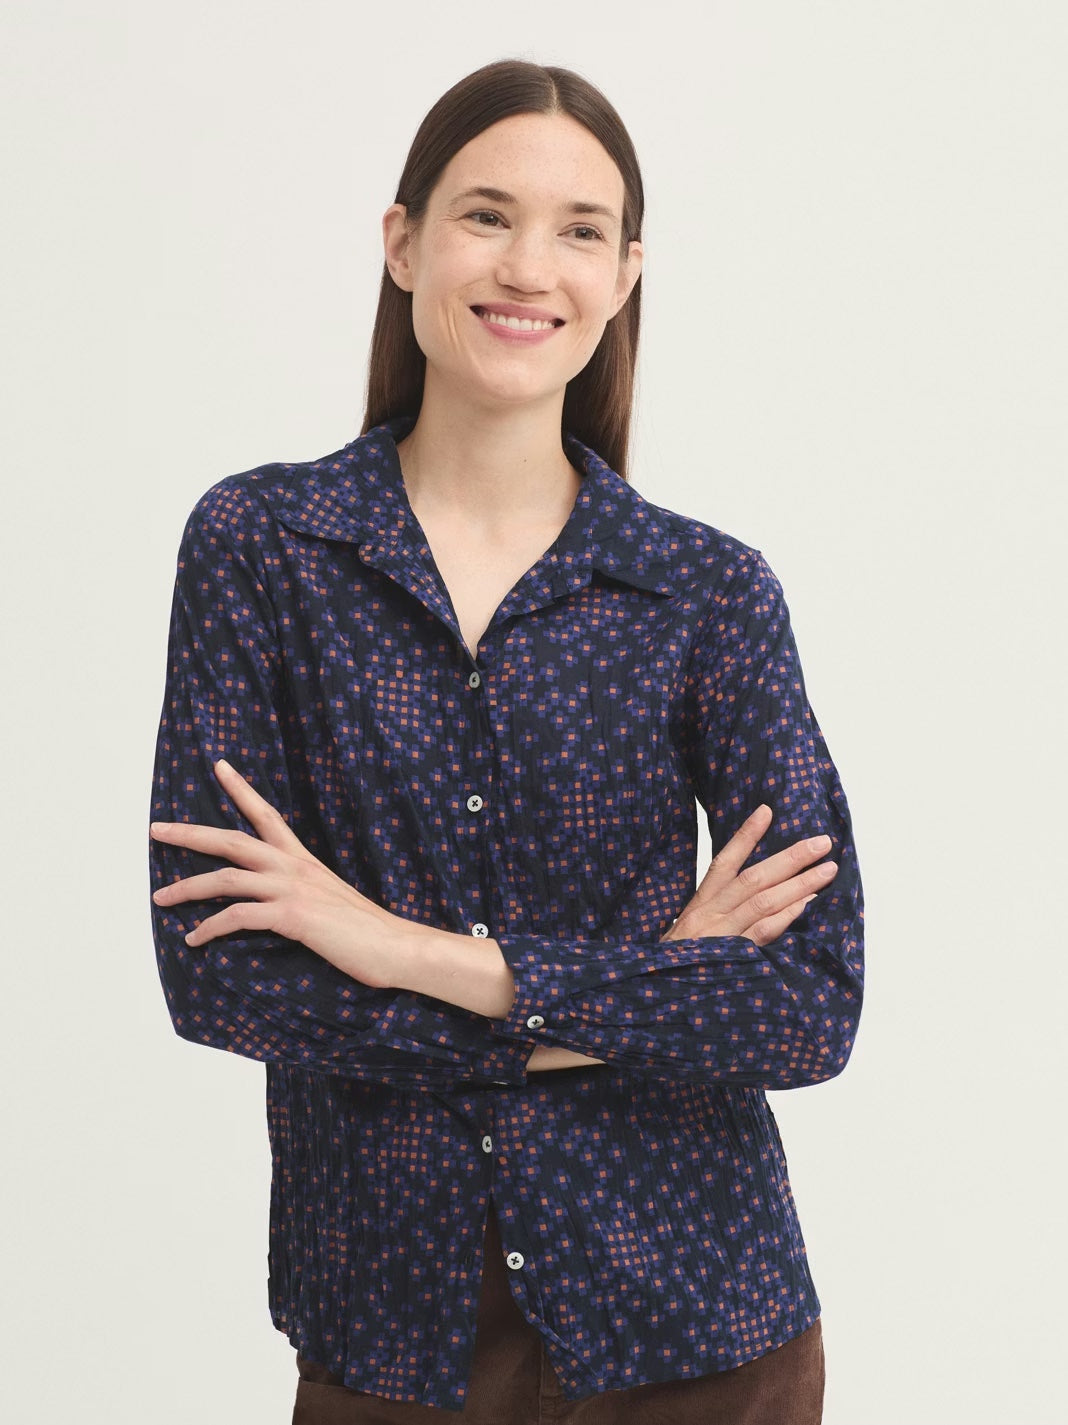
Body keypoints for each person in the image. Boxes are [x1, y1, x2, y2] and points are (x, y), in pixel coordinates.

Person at [149, 59, 863, 1425]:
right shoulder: (262, 550)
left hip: (703, 1328)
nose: (530, 264)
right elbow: (226, 980)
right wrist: (646, 987)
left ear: (626, 272)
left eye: (581, 229)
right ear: (404, 240)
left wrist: (400, 948)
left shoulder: (707, 591)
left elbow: (809, 1001)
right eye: (486, 214)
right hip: (391, 1333)